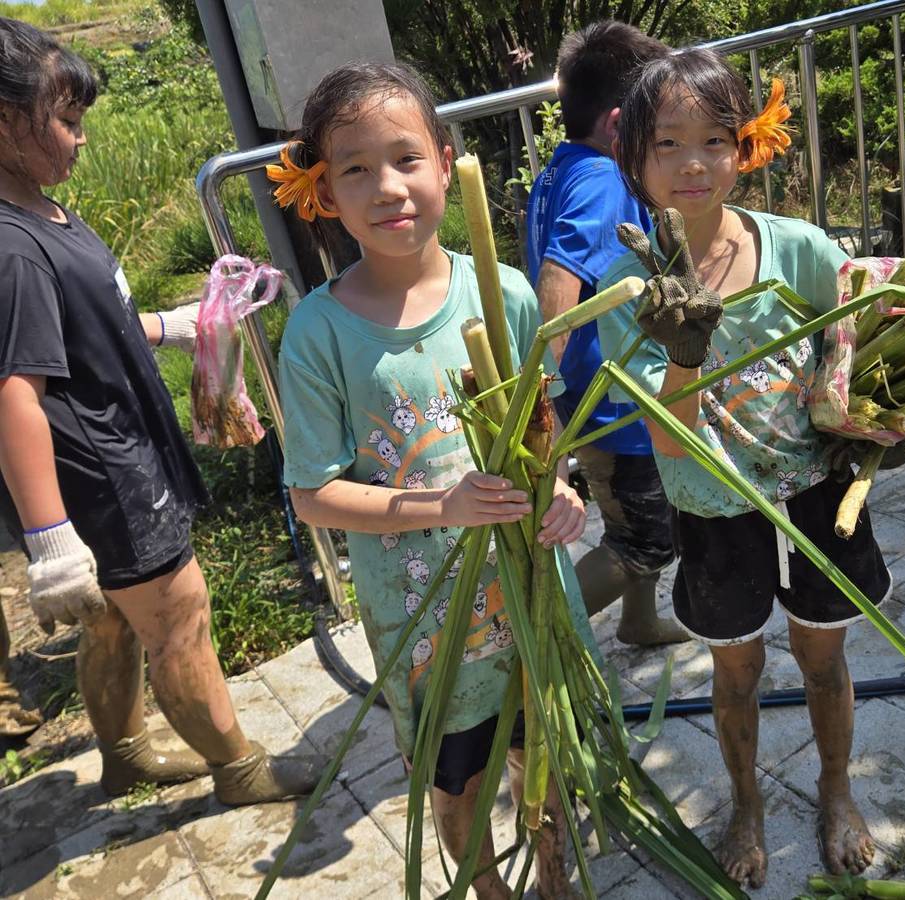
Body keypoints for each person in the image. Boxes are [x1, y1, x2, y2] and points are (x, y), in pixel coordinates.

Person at [274, 61, 593, 899]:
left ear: (448, 163)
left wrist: (561, 493)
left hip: (530, 595)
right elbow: (313, 493)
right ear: (322, 190)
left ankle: (556, 880)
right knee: (458, 781)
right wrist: (439, 505)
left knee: (545, 746)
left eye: (407, 158)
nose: (389, 188)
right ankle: (488, 891)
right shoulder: (318, 333)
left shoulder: (509, 294)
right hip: (424, 622)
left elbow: (540, 429)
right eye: (355, 168)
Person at [0, 16, 321, 803]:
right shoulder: (8, 244)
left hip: (114, 451)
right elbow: (13, 391)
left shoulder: (38, 207)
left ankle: (125, 753)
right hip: (101, 473)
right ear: (4, 119)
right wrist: (51, 544)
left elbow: (75, 332)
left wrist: (174, 326)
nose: (79, 140)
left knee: (114, 616)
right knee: (180, 617)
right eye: (66, 122)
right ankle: (239, 771)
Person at [596, 48, 890, 885]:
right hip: (714, 506)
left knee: (824, 658)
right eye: (667, 144)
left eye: (715, 139)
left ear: (745, 146)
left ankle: (837, 791)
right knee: (737, 666)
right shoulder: (625, 285)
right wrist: (683, 352)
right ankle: (747, 804)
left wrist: (885, 424)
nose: (693, 163)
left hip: (817, 496)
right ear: (635, 160)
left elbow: (855, 362)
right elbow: (667, 432)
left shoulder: (798, 248)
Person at [525, 21, 686, 646]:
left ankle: (639, 621)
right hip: (610, 406)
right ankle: (535, 642)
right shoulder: (602, 181)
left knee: (639, 517)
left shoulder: (564, 169)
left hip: (592, 393)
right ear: (620, 125)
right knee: (645, 539)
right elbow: (560, 277)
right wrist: (544, 412)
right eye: (659, 125)